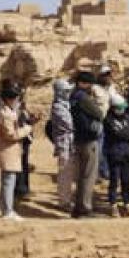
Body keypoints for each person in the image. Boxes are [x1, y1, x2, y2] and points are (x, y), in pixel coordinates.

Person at [0, 86, 37, 221]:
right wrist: (27, 129)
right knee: (8, 182)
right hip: (8, 151)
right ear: (10, 99)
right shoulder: (5, 114)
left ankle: (1, 207)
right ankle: (8, 211)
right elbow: (11, 135)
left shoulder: (7, 111)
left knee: (7, 180)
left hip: (9, 151)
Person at [69, 72, 104, 218]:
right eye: (89, 84)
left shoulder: (72, 96)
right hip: (88, 139)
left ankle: (79, 207)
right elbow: (99, 113)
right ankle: (85, 208)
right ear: (83, 83)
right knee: (88, 175)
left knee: (82, 175)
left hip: (78, 138)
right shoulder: (83, 97)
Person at [103, 100, 129, 216]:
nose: (122, 110)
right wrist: (126, 135)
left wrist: (127, 135)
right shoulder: (108, 120)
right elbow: (117, 134)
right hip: (114, 153)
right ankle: (113, 205)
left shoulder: (127, 118)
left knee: (126, 180)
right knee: (114, 180)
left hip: (127, 153)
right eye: (119, 108)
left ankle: (127, 204)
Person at [49, 78, 76, 211]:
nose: (68, 93)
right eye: (66, 91)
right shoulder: (57, 107)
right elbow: (70, 124)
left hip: (70, 142)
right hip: (64, 143)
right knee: (64, 172)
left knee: (70, 172)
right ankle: (64, 201)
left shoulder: (66, 104)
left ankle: (68, 198)